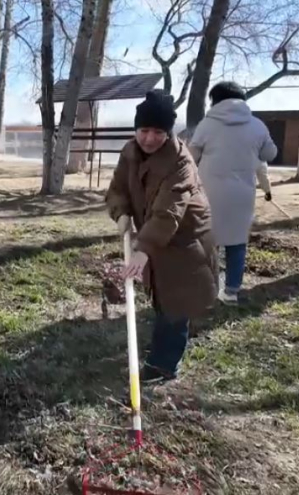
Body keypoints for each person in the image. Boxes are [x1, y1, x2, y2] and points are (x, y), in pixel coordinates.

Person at [106, 90, 218, 384]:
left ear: (169, 132)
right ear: (136, 129)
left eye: (159, 132)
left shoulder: (180, 162)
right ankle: (165, 345)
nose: (150, 138)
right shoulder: (130, 151)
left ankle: (163, 366)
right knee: (161, 294)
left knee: (176, 300)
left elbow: (169, 211)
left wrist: (144, 249)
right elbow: (118, 188)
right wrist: (121, 213)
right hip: (154, 233)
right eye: (144, 130)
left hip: (185, 238)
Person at [188, 81, 278, 304]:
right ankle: (231, 292)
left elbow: (191, 156)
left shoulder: (207, 125)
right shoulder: (257, 125)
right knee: (237, 242)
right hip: (242, 195)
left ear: (214, 101)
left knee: (209, 242)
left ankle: (208, 289)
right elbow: (270, 153)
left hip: (208, 192)